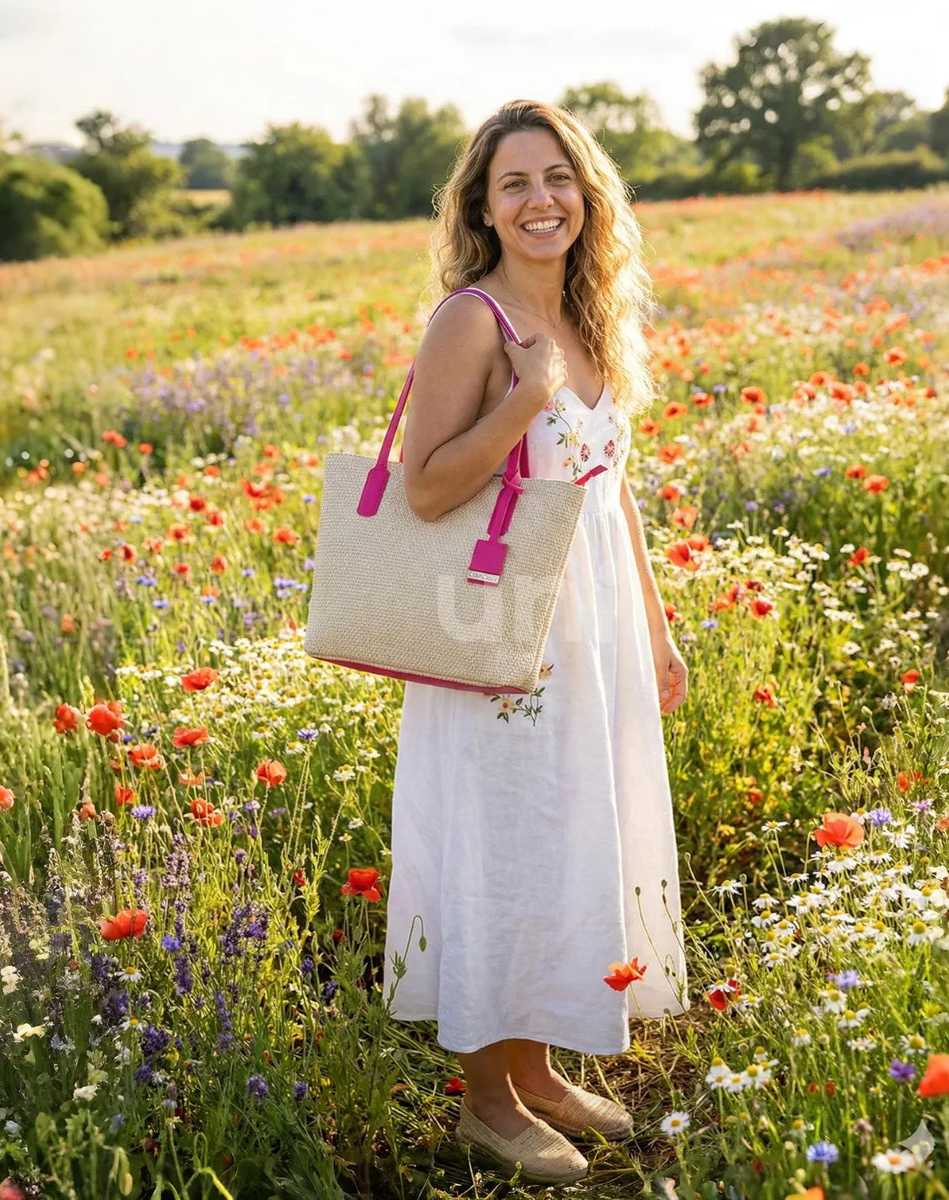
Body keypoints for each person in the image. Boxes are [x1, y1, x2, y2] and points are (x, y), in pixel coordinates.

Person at [382, 98, 691, 1185]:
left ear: (587, 195)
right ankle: (485, 1101)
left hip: (594, 627)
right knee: (499, 844)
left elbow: (612, 490)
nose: (540, 199)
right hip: (501, 626)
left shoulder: (591, 316)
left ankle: (539, 1072)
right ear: (481, 207)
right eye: (513, 183)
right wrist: (523, 402)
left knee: (561, 839)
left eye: (558, 178)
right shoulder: (470, 321)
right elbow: (424, 490)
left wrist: (656, 628)